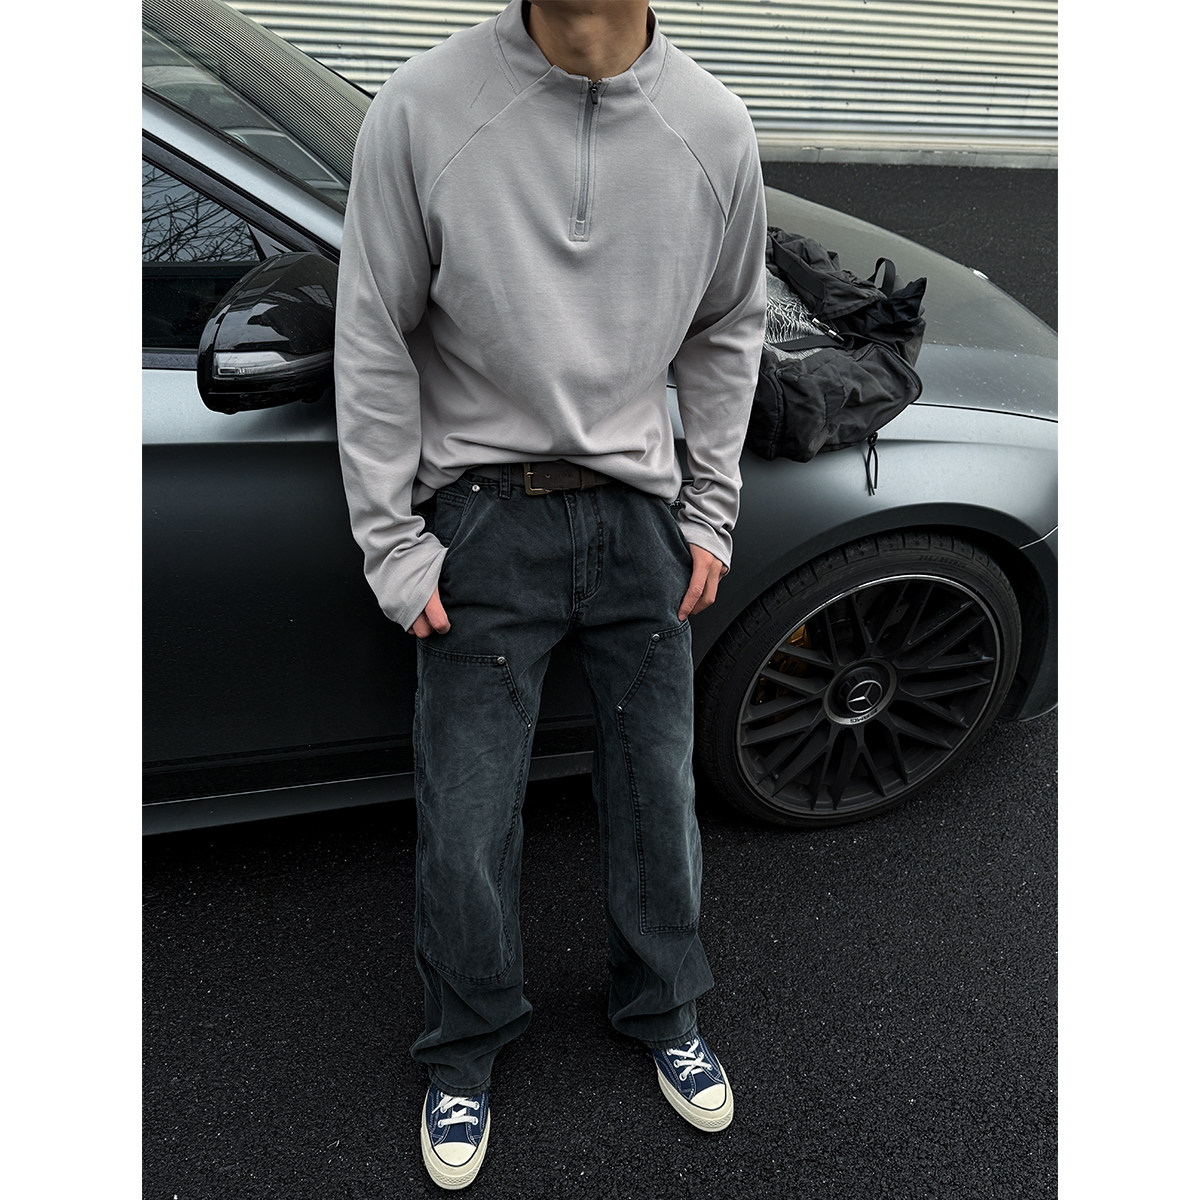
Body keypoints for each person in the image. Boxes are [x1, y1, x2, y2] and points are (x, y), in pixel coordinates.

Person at [334, 0, 766, 1188]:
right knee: (467, 814)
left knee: (658, 794)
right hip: (481, 515)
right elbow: (372, 333)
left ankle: (664, 1008)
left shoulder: (713, 126)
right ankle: (464, 1048)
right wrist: (392, 542)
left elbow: (731, 324)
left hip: (640, 517)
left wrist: (710, 510)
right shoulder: (422, 108)